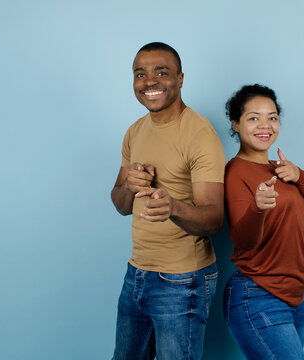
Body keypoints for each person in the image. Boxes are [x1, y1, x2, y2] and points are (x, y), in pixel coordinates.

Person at [110, 42, 225, 360]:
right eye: (140, 74)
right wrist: (130, 187)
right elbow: (119, 202)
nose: (150, 82)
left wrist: (173, 208)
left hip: (182, 281)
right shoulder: (135, 131)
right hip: (136, 274)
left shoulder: (200, 134)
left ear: (181, 79)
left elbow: (214, 219)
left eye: (162, 72)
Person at [222, 84, 304, 360]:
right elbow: (243, 241)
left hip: (296, 298)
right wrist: (258, 208)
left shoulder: (282, 169)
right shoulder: (235, 171)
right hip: (257, 296)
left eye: (272, 117)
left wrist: (301, 177)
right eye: (253, 117)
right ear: (236, 124)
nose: (265, 125)